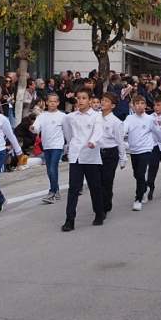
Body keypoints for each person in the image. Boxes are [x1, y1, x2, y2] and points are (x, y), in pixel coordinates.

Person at [61, 90, 106, 232]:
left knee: (95, 187)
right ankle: (69, 220)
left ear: (89, 100)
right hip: (75, 156)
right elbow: (68, 133)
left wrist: (93, 141)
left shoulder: (96, 116)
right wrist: (72, 145)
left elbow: (98, 131)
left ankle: (99, 213)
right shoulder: (71, 117)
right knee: (73, 188)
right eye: (78, 98)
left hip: (91, 156)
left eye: (84, 98)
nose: (81, 101)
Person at [121, 95, 160, 211]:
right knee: (137, 174)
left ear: (145, 105)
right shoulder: (129, 118)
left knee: (140, 173)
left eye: (142, 103)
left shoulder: (150, 119)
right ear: (133, 106)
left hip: (146, 149)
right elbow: (123, 130)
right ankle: (144, 188)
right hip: (133, 150)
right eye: (137, 103)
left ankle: (138, 199)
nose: (139, 106)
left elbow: (157, 133)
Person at [33, 92, 67, 204]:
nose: (52, 103)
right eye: (50, 101)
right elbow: (36, 128)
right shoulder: (42, 116)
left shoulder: (63, 116)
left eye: (54, 101)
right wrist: (33, 128)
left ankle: (52, 192)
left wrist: (69, 145)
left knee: (52, 167)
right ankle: (56, 190)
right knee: (50, 170)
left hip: (57, 146)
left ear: (58, 103)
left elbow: (68, 131)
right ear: (46, 102)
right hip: (46, 146)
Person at [97, 93, 122, 215]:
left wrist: (123, 158)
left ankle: (104, 207)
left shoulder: (116, 122)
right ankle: (100, 204)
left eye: (106, 101)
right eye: (102, 100)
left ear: (112, 105)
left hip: (110, 154)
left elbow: (120, 141)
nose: (103, 103)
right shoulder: (96, 117)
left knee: (107, 181)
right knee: (98, 181)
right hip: (96, 153)